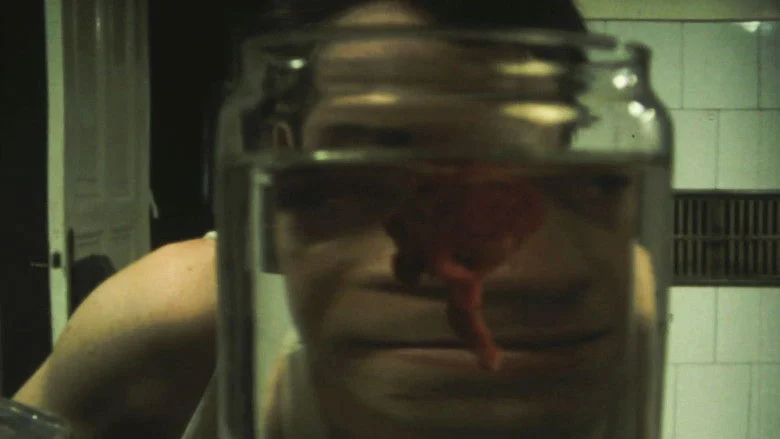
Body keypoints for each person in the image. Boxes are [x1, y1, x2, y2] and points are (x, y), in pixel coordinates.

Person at [13, 1, 661, 438]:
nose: (439, 250)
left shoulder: (603, 302)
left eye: (507, 167)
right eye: (364, 174)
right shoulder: (179, 306)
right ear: (283, 167)